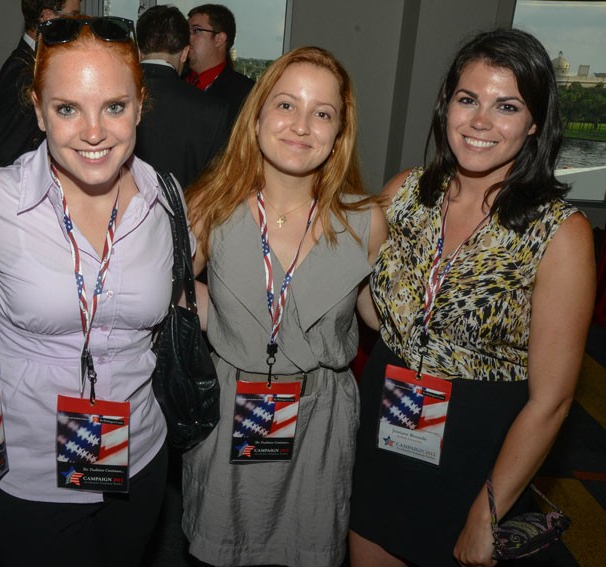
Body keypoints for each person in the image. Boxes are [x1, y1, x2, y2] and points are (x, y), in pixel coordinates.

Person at [349, 28, 595, 567]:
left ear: (534, 123)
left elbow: (551, 399)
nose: (480, 121)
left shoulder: (558, 233)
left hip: (476, 456)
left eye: (506, 106)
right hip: (383, 428)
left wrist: (487, 511)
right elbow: (378, 314)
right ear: (446, 106)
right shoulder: (403, 194)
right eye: (468, 99)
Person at [0, 15, 183, 566]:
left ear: (141, 105)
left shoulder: (167, 200)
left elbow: (185, 299)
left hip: (139, 459)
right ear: (39, 112)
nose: (94, 132)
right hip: (30, 475)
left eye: (114, 107)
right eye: (67, 109)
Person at [182, 46, 387, 567]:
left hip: (321, 423)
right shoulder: (210, 206)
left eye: (322, 113)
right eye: (286, 105)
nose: (301, 125)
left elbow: (380, 318)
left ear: (339, 133)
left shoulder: (365, 222)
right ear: (257, 116)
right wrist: (220, 318)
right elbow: (168, 288)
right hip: (231, 411)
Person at [135, 4, 231, 189]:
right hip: (185, 216)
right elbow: (217, 186)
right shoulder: (213, 111)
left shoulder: (114, 97)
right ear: (185, 53)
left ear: (139, 50)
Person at [0, 0, 81, 169]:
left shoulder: (38, 64)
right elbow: (8, 148)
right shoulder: (23, 71)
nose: (77, 25)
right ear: (47, 17)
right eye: (73, 16)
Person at [184, 3, 254, 124]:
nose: (186, 37)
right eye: (186, 31)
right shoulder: (176, 82)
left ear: (219, 39)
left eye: (196, 30)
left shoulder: (246, 94)